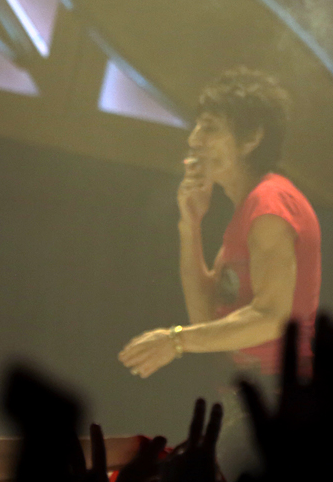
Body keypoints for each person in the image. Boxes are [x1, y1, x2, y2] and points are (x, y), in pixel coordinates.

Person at [119, 67, 321, 379]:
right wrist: (190, 225)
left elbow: (271, 318)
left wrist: (174, 341)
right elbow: (206, 321)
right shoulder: (250, 207)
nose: (194, 140)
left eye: (210, 128)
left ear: (251, 138)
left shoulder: (270, 203)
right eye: (197, 128)